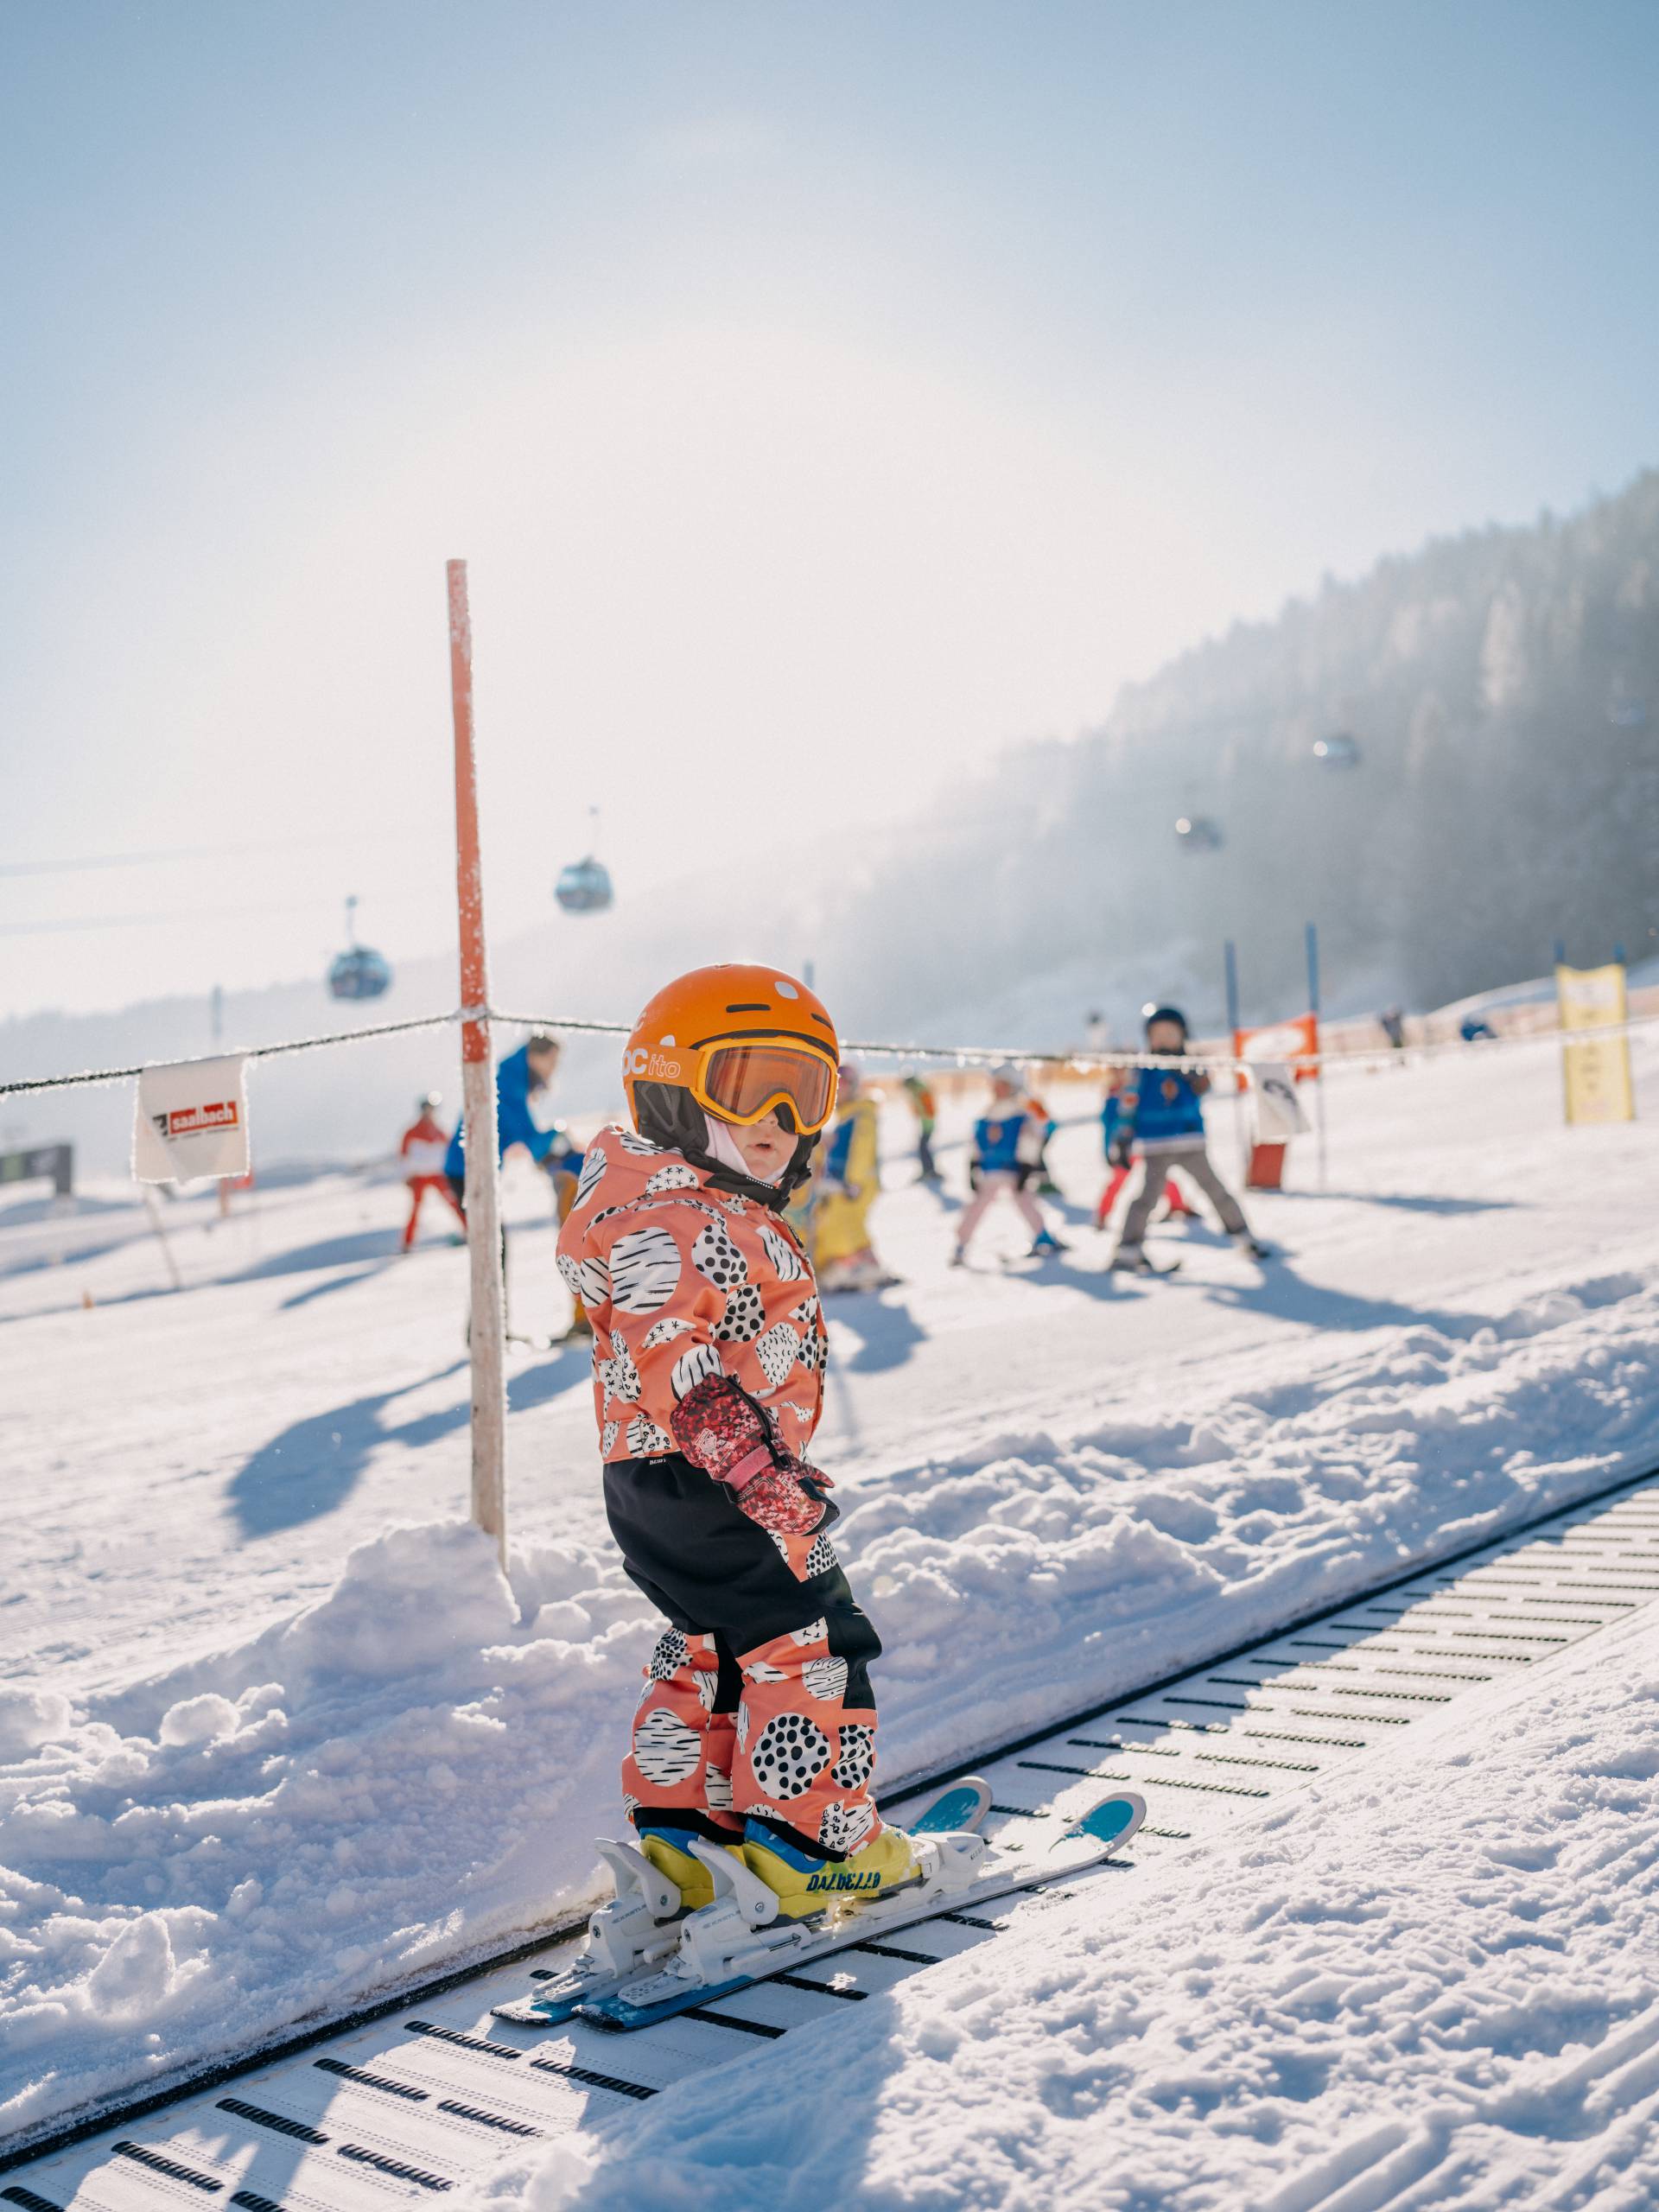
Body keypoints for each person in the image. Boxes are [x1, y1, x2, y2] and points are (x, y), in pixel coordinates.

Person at [557, 963, 915, 1919]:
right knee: (817, 1639)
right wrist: (757, 1472)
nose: (778, 1119)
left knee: (713, 1646)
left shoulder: (687, 1202)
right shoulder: (669, 1216)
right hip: (716, 1477)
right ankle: (814, 1843)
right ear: (670, 1087)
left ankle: (689, 1833)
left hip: (654, 1482)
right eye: (745, 1084)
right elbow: (669, 1347)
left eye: (804, 1094)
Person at [446, 1033, 590, 1335]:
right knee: (491, 1248)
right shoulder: (510, 1084)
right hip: (468, 1172)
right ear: (536, 1057)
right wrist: (560, 1137)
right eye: (552, 1061)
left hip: (473, 1170)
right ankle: (488, 1330)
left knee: (492, 1248)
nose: (554, 1069)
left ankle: (488, 1328)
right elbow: (531, 1141)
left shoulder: (510, 1077)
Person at [1109, 1007, 1268, 1271]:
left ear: (1182, 1035)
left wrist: (1190, 1072)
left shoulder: (1190, 1065)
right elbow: (1128, 1101)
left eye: (1170, 1034)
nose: (1163, 1040)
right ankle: (1128, 1249)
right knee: (1146, 1199)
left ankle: (1244, 1236)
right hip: (1155, 1145)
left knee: (1216, 1191)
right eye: (1157, 1035)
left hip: (1188, 1140)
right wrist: (1123, 1136)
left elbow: (1204, 1087)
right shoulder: (1142, 1069)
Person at [950, 1063, 1065, 1265]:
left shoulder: (1020, 1114)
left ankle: (1043, 1236)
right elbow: (978, 1141)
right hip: (991, 1170)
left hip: (1013, 1170)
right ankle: (961, 1243)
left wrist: (1026, 1166)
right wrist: (973, 1164)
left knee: (1026, 1202)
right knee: (977, 1206)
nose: (996, 1089)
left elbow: (1030, 1139)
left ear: (1012, 1086)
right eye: (995, 1085)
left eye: (1001, 1085)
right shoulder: (988, 1114)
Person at [813, 1062, 892, 1293]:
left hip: (858, 1184)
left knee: (841, 1221)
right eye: (836, 1087)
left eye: (844, 1085)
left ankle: (851, 1266)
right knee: (835, 1220)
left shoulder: (862, 1113)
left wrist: (853, 1182)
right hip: (840, 1182)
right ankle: (852, 1264)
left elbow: (862, 1149)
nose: (840, 1091)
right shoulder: (845, 1116)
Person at [399, 1090, 465, 1251]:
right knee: (416, 1208)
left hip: (438, 1175)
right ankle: (407, 1243)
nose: (429, 1112)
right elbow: (404, 1156)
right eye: (426, 1108)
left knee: (454, 1202)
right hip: (419, 1177)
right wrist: (407, 1176)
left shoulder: (439, 1132)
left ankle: (469, 1231)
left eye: (432, 1108)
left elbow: (449, 1152)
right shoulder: (411, 1132)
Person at [901, 1071, 940, 1182]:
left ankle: (929, 1170)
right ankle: (928, 1169)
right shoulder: (918, 1090)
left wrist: (923, 1114)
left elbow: (929, 1108)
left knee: (923, 1147)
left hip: (928, 1124)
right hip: (926, 1123)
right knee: (924, 1147)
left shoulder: (920, 1090)